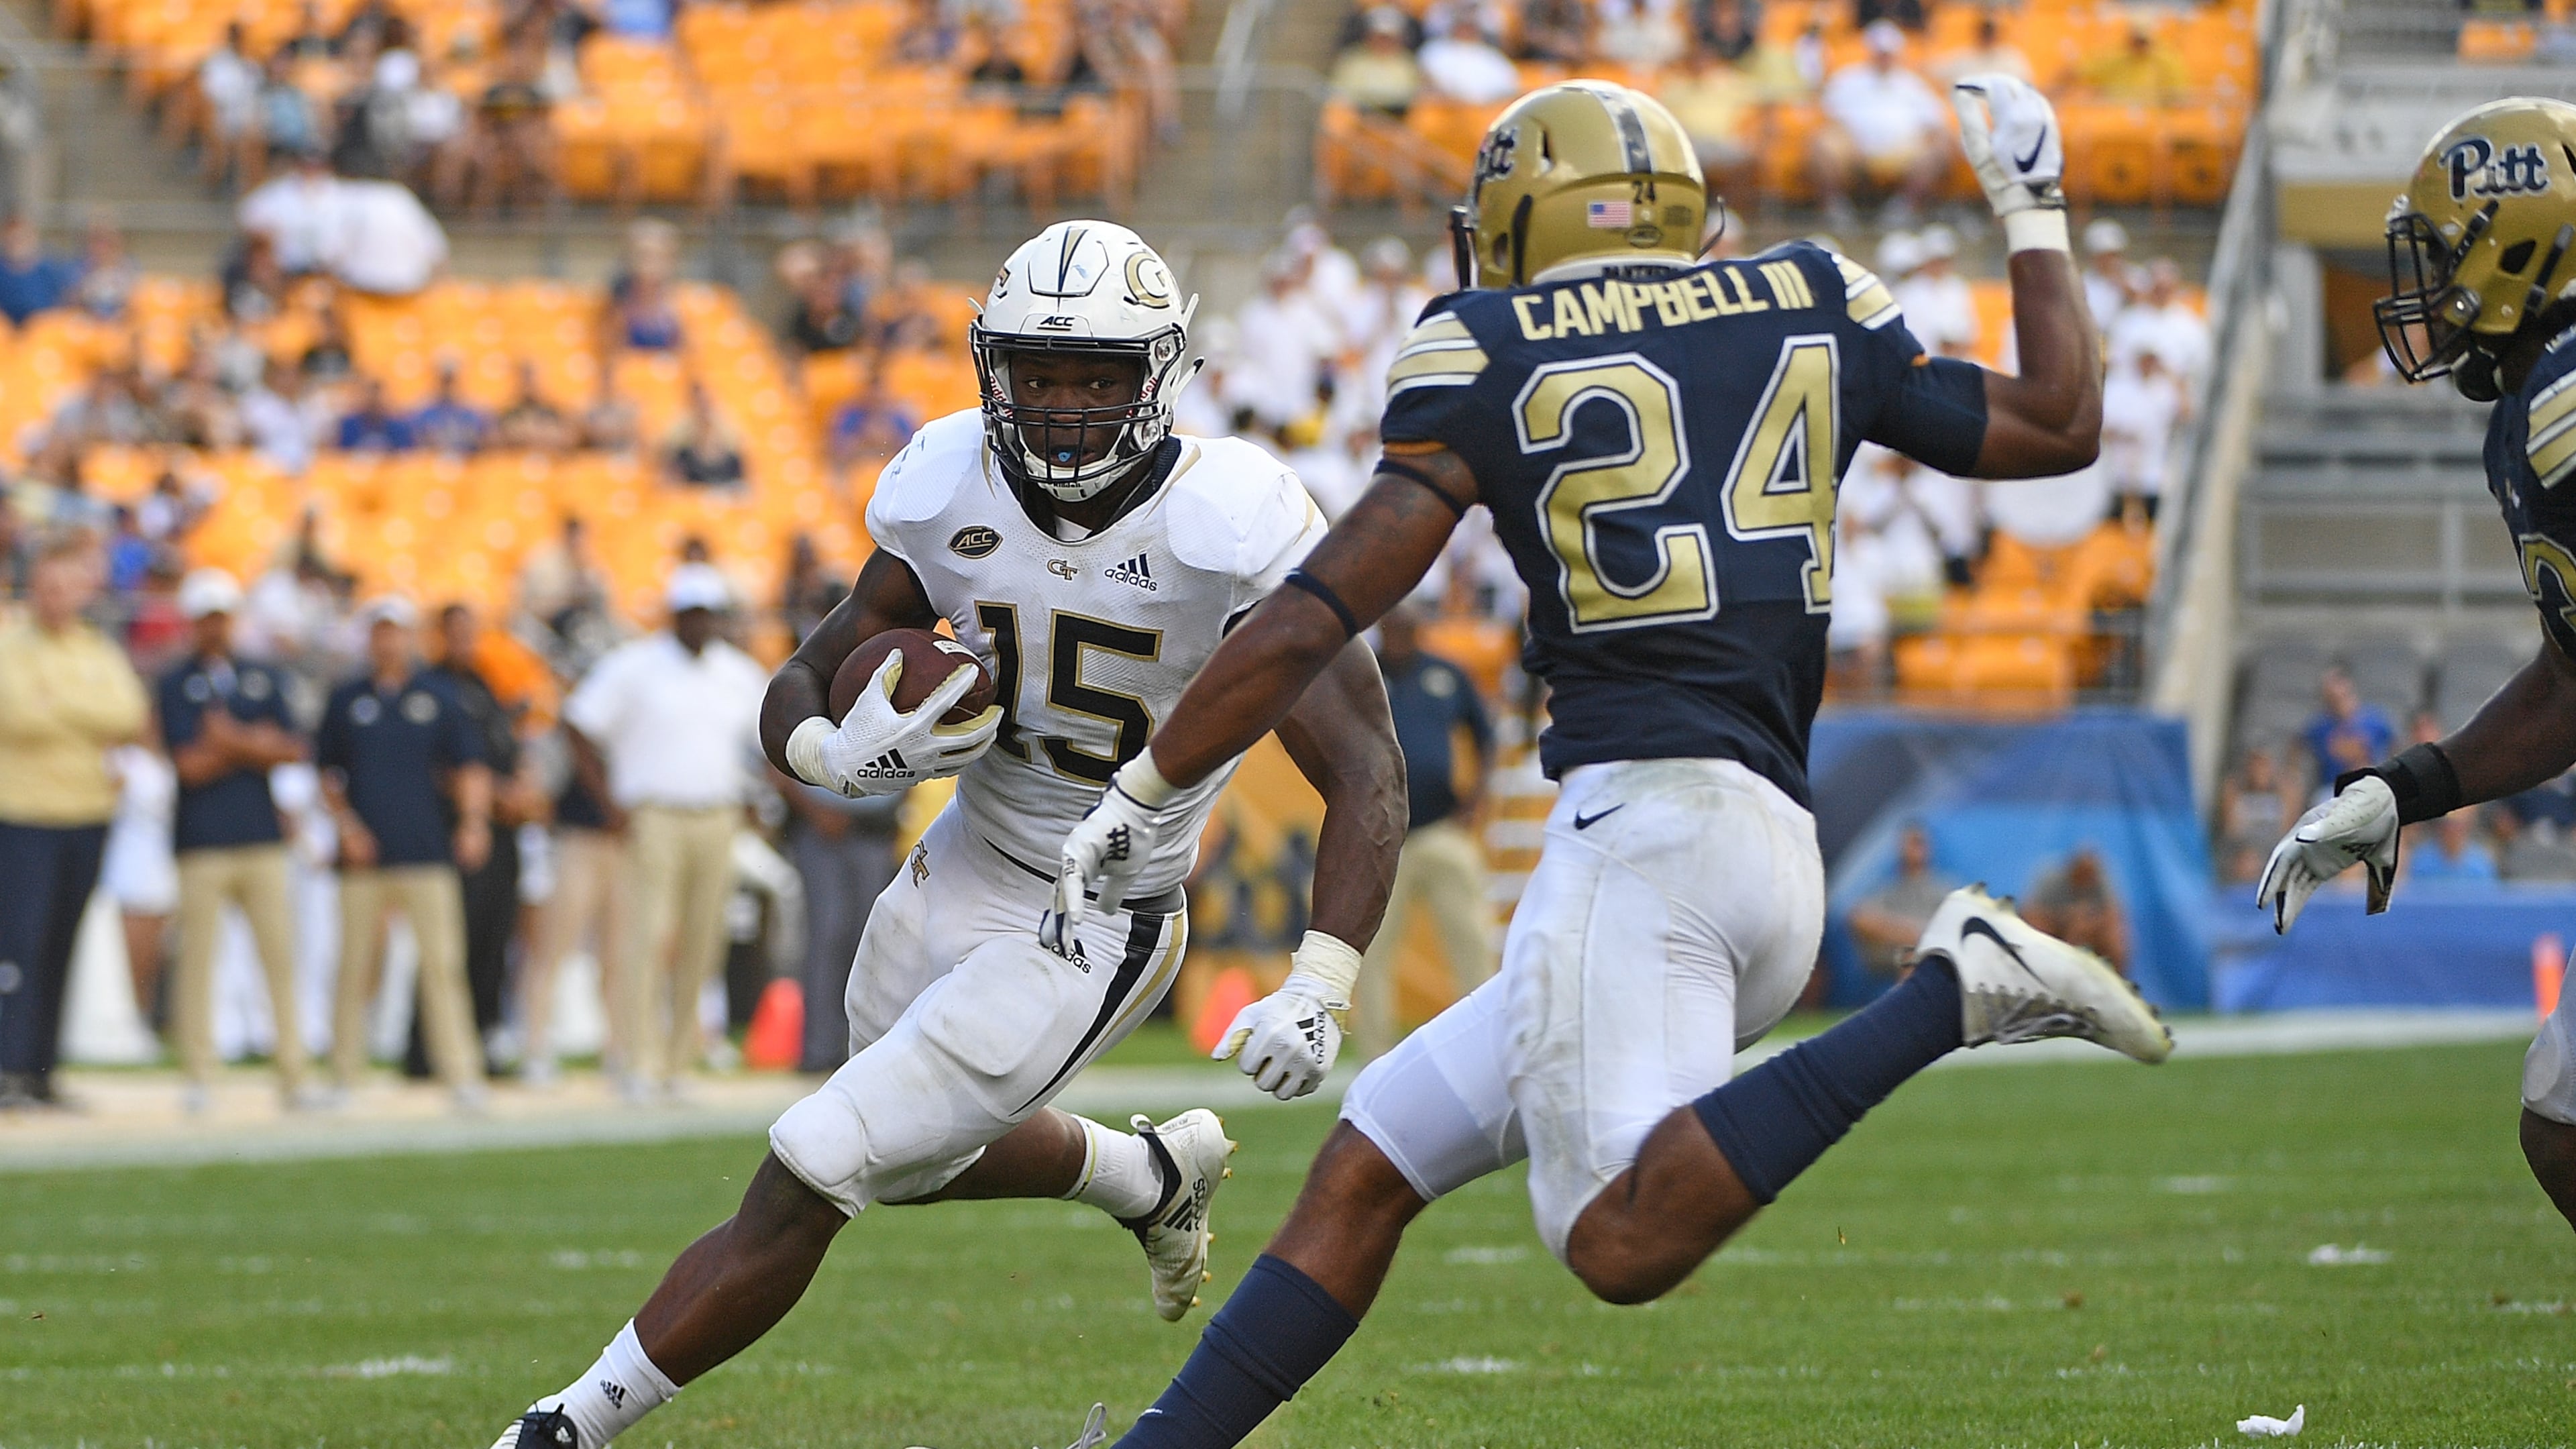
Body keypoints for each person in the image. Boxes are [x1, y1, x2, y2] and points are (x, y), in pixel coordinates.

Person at [1046, 80, 2169, 1449]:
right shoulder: (1806, 294)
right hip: (1763, 846)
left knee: (1614, 1241)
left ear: (1526, 222)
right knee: (1371, 1162)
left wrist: (1148, 786)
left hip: (1639, 847)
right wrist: (2031, 205)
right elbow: (2060, 424)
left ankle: (1954, 992)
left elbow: (1312, 617)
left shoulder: (1486, 345)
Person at [482, 221, 1407, 1449]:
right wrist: (833, 754)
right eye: (1040, 372)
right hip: (967, 856)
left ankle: (565, 1427)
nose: (1067, 406)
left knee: (821, 1155)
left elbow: (1368, 771)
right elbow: (802, 680)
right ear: (994, 370)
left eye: (1098, 377)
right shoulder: (948, 482)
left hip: (1104, 913)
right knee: (906, 1149)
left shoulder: (1233, 519)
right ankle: (1145, 1179)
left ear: (1160, 376)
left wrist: (1323, 978)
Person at [2255, 97, 2576, 1235]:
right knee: (2565, 1125)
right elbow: (2569, 679)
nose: (2432, 297)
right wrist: (2409, 787)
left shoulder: (2566, 400)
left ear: (2521, 243)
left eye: (2447, 261)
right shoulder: (2539, 407)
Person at [559, 565, 766, 1100]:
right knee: (647, 938)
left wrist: (753, 799)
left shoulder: (738, 672)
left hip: (718, 815)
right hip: (654, 815)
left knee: (703, 943)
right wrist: (608, 802)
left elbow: (763, 741)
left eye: (710, 614)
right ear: (675, 615)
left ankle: (677, 1064)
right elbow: (578, 723)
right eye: (693, 613)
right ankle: (637, 1061)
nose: (702, 624)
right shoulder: (635, 666)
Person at [315, 594, 491, 1110]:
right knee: (354, 966)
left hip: (426, 850)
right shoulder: (347, 699)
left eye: (396, 631)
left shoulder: (437, 697)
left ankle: (461, 1073)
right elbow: (327, 773)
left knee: (442, 966)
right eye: (380, 631)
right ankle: (344, 1073)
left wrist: (473, 823)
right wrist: (346, 826)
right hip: (365, 858)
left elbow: (468, 765)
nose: (388, 641)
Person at [0, 537, 150, 1109]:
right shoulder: (12, 648)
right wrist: (86, 719)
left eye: (65, 586)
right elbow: (15, 713)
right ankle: (9, 1068)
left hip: (87, 816)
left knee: (63, 944)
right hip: (24, 816)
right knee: (20, 945)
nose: (55, 597)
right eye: (47, 585)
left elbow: (129, 713)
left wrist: (56, 707)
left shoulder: (96, 650)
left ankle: (41, 1070)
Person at [161, 568, 315, 1112]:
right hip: (202, 841)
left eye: (221, 616)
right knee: (199, 961)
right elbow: (189, 765)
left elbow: (294, 747)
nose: (214, 627)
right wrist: (255, 747)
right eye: (205, 617)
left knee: (278, 956)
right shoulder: (175, 680)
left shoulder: (261, 675)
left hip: (259, 838)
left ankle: (294, 1073)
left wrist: (233, 741)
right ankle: (199, 1073)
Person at [1354, 601, 1493, 1059]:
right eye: (1393, 628)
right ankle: (1375, 1057)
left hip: (1440, 829)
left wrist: (1476, 801)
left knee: (1471, 939)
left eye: (1408, 628)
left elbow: (1485, 736)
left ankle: (1486, 1044)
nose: (1401, 636)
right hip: (1380, 837)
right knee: (1371, 950)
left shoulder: (1446, 674)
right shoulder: (1362, 673)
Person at [423, 602, 533, 1076]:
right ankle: (431, 1047)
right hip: (458, 831)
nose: (465, 643)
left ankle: (483, 1033)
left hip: (502, 832)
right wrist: (492, 798)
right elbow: (435, 765)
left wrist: (521, 789)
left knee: (493, 937)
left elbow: (506, 748)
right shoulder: (431, 690)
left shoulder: (484, 687)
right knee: (455, 942)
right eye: (456, 633)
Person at [1813, 21, 1950, 229]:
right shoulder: (1847, 80)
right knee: (1821, 145)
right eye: (1880, 52)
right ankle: (1836, 210)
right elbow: (1832, 118)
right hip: (1854, 147)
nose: (1884, 58)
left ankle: (1904, 208)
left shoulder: (1912, 84)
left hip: (1904, 150)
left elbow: (1935, 123)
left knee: (1940, 148)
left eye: (1888, 53)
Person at [1844, 820, 1958, 978]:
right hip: (1892, 951)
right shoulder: (1889, 890)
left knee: (1913, 955)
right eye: (1909, 843)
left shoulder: (1944, 889)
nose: (1914, 849)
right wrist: (1904, 932)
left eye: (1919, 843)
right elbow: (1859, 917)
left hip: (1934, 952)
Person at [2020, 845, 2126, 975]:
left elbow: (2113, 913)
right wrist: (2066, 919)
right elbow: (2032, 912)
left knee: (2114, 938)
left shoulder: (2101, 880)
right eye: (2082, 874)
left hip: (2088, 927)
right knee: (2037, 928)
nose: (2085, 879)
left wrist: (2088, 924)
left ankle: (2114, 980)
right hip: (2052, 925)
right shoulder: (2050, 879)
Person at [2300, 665, 2395, 799]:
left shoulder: (2376, 721)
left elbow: (2394, 747)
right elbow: (2297, 750)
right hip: (2331, 789)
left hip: (2370, 785)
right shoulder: (2318, 726)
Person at [1329, 7, 1423, 117]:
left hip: (1399, 117)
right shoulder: (1352, 60)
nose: (1384, 42)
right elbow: (1339, 94)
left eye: (1389, 38)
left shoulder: (1408, 62)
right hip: (1360, 117)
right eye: (1380, 37)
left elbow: (1415, 96)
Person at [1417, 9, 1520, 105]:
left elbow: (1511, 85)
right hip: (1452, 111)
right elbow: (1431, 83)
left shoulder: (1491, 54)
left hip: (1490, 111)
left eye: (1469, 26)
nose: (1466, 30)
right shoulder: (1435, 50)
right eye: (1462, 25)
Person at [0, 215, 78, 325]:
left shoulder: (49, 270)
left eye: (22, 238)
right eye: (13, 239)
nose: (17, 244)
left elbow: (65, 305)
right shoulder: (3, 272)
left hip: (42, 331)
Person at [409, 358, 492, 455]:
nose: (449, 386)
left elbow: (486, 445)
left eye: (451, 381)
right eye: (445, 381)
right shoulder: (422, 412)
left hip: (471, 464)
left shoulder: (477, 412)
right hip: (432, 464)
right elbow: (417, 446)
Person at [2405, 812, 2498, 883]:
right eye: (2447, 827)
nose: (2452, 832)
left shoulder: (2480, 862)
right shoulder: (2422, 859)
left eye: (2457, 828)